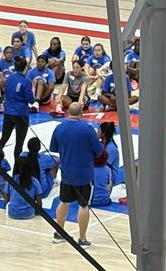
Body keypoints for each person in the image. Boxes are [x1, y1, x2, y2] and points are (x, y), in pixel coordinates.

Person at [50, 102, 103, 247]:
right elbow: (99, 151)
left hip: (67, 172)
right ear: (81, 113)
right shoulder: (88, 129)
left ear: (68, 112)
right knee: (84, 206)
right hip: (84, 174)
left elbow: (53, 148)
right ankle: (82, 238)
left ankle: (58, 233)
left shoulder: (59, 128)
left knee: (64, 202)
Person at [0, 56, 33, 157]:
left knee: (4, 139)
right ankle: (17, 167)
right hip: (21, 114)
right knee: (19, 143)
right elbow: (30, 99)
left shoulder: (9, 78)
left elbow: (6, 92)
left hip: (8, 112)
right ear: (25, 68)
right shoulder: (26, 82)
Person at [7, 155, 43, 220]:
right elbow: (39, 202)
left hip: (13, 214)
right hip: (29, 214)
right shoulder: (34, 181)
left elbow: (6, 196)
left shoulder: (11, 180)